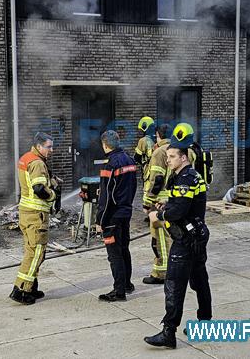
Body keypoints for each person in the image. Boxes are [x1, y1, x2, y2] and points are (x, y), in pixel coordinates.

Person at [144, 123, 212, 349]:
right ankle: (205, 324)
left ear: (183, 158)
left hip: (185, 240)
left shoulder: (185, 179)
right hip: (196, 237)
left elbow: (178, 212)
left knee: (174, 285)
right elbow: (183, 203)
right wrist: (167, 202)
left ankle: (168, 333)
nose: (168, 160)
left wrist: (158, 214)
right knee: (200, 281)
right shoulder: (191, 176)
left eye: (172, 156)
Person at [10, 132, 60, 305]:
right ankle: (21, 290)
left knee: (33, 251)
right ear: (39, 146)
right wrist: (53, 195)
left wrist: (51, 181)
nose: (51, 150)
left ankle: (31, 287)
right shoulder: (38, 163)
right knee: (35, 253)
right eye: (49, 147)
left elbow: (34, 183)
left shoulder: (27, 158)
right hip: (36, 216)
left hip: (26, 213)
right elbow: (39, 189)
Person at [96, 130, 138, 302]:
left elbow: (105, 198)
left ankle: (118, 291)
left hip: (112, 216)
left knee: (114, 254)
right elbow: (133, 187)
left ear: (105, 145)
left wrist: (100, 220)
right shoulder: (129, 160)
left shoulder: (110, 165)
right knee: (123, 248)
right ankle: (127, 284)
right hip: (126, 212)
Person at [141, 123, 173, 284]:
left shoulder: (160, 152)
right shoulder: (179, 150)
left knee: (159, 239)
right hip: (173, 201)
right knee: (171, 236)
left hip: (159, 202)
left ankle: (161, 273)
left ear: (158, 135)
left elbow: (156, 180)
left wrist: (147, 203)